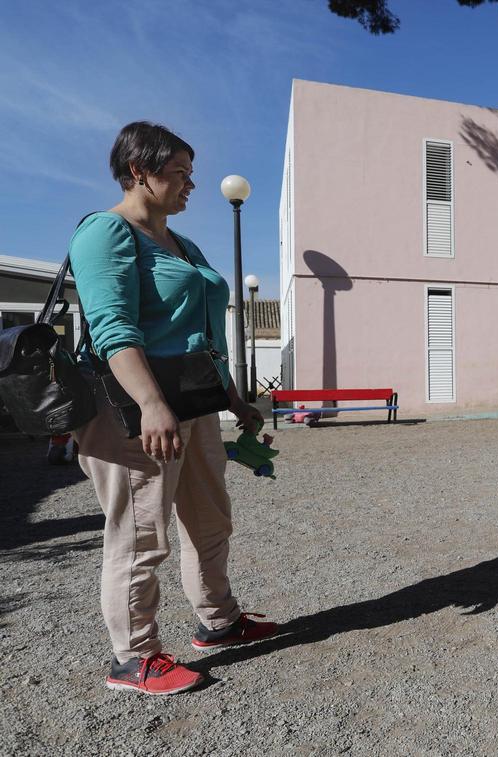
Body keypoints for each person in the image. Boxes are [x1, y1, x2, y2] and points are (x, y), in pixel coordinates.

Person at [69, 122, 277, 696]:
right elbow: (112, 328)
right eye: (179, 172)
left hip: (193, 400)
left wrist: (233, 398)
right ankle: (133, 658)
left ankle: (219, 620)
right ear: (139, 171)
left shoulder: (181, 243)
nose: (191, 184)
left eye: (191, 172)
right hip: (134, 408)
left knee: (210, 520)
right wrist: (151, 404)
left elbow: (204, 331)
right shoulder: (106, 232)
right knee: (141, 535)